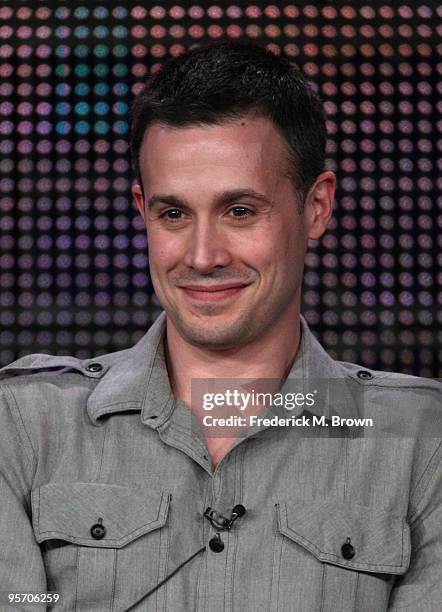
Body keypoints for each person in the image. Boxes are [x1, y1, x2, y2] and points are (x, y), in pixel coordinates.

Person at [0, 40, 440, 612]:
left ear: (317, 207)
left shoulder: (419, 442)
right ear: (142, 211)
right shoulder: (24, 426)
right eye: (174, 213)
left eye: (240, 211)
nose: (203, 256)